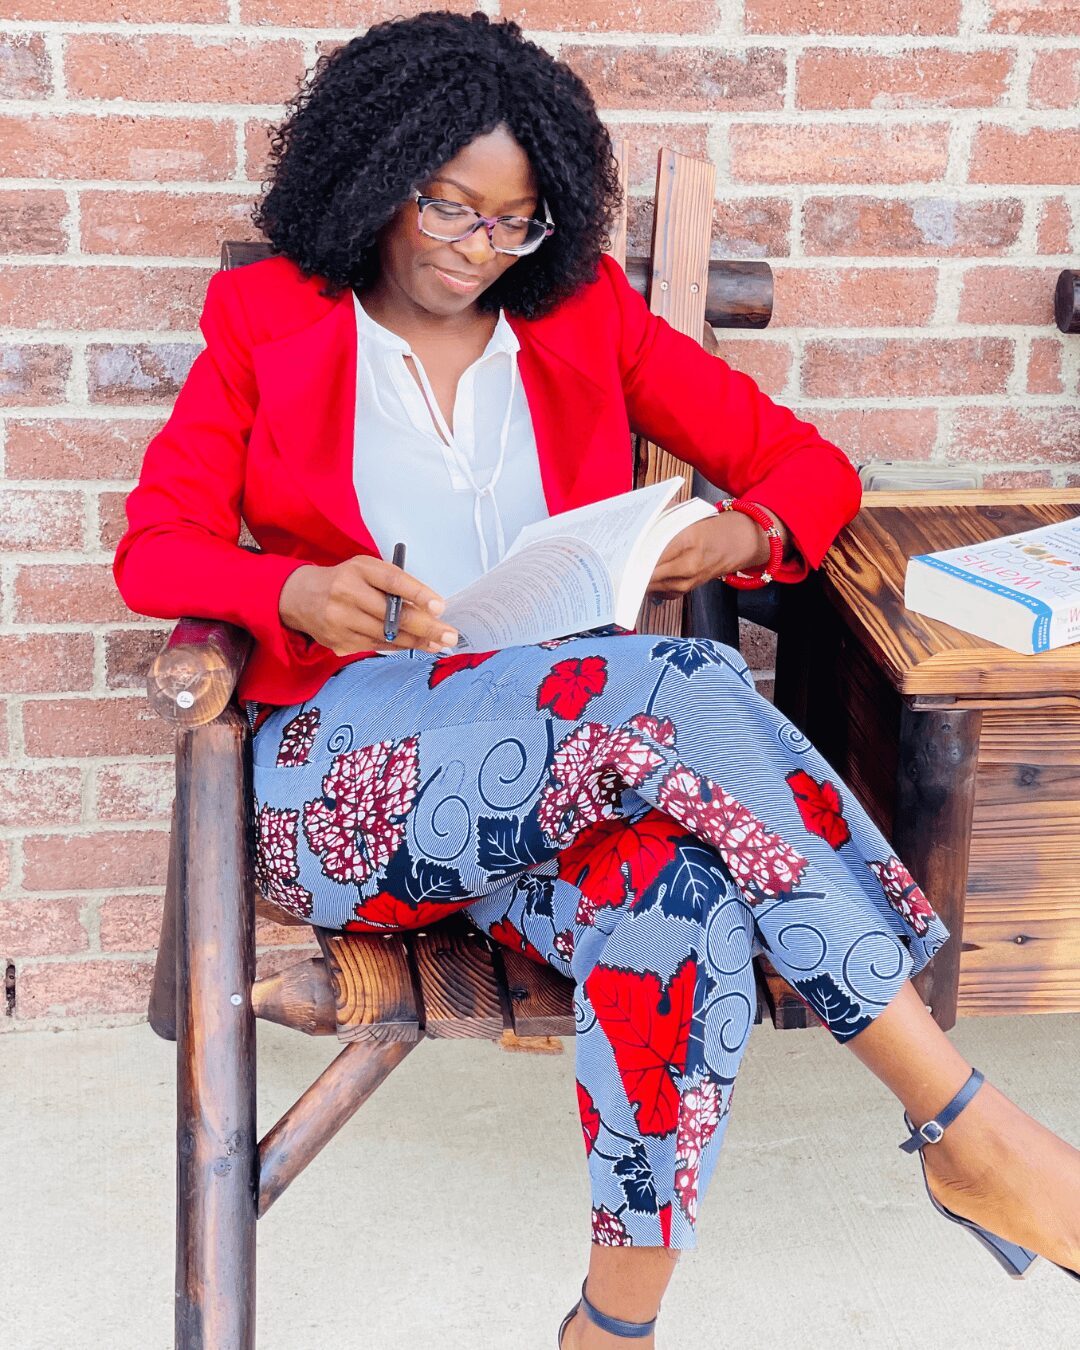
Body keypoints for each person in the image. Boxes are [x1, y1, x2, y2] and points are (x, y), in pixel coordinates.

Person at [113, 11, 1079, 1346]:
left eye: (513, 225)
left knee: (676, 903)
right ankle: (968, 1122)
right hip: (342, 780)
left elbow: (812, 472)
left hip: (564, 778)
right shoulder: (267, 321)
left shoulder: (581, 319)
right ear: (378, 170)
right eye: (449, 209)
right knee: (669, 686)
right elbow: (151, 547)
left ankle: (607, 1330)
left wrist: (729, 534)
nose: (475, 251)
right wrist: (291, 589)